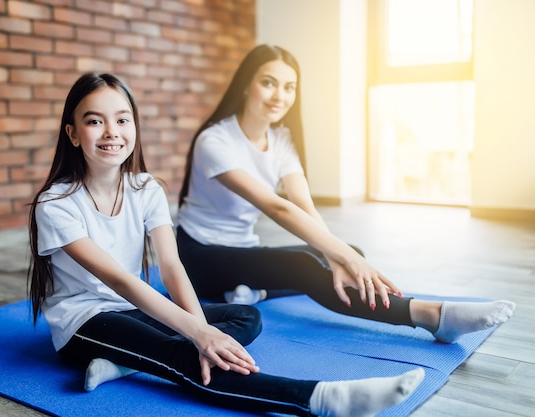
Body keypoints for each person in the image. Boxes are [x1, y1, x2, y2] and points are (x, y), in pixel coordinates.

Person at [27, 72, 425, 417]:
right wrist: (199, 335)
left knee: (245, 318)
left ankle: (123, 363)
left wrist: (200, 326)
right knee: (189, 355)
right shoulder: (56, 204)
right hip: (86, 322)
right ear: (73, 134)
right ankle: (320, 398)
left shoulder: (147, 189)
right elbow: (122, 281)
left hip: (133, 309)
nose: (112, 132)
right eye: (95, 121)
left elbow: (171, 267)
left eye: (122, 119)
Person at [175, 44, 516, 344]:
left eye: (290, 87)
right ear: (247, 85)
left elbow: (302, 203)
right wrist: (343, 258)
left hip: (242, 251)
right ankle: (431, 315)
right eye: (269, 83)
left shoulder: (282, 140)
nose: (280, 95)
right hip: (199, 258)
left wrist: (341, 254)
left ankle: (253, 289)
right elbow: (277, 208)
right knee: (307, 264)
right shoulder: (214, 141)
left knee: (347, 250)